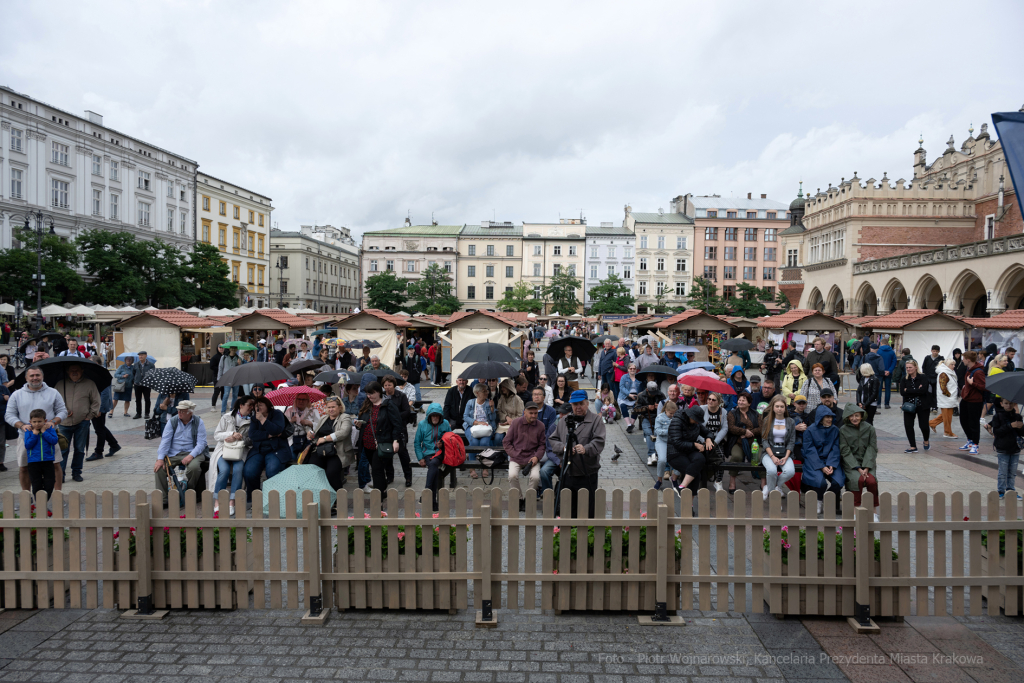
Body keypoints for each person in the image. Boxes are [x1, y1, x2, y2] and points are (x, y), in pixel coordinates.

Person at [5, 366, 67, 493]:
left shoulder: (53, 392)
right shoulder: (17, 394)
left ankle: (57, 495)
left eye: (37, 375)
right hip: (26, 437)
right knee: (24, 468)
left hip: (48, 436)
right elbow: (9, 415)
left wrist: (53, 422)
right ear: (26, 378)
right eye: (32, 376)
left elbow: (62, 411)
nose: (35, 378)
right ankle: (26, 497)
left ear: (42, 377)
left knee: (55, 465)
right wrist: (22, 425)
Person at [549, 391, 605, 518]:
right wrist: (564, 448)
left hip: (587, 473)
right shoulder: (564, 421)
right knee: (567, 510)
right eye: (575, 404)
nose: (578, 407)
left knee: (587, 510)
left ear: (587, 403)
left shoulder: (596, 420)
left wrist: (586, 448)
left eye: (581, 404)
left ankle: (586, 535)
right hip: (567, 472)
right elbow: (553, 439)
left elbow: (599, 441)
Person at [153, 401, 208, 507]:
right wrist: (160, 459)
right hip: (174, 453)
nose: (179, 412)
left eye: (183, 411)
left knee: (194, 467)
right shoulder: (172, 422)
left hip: (193, 452)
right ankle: (164, 499)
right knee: (159, 469)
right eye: (179, 410)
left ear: (190, 412)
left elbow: (202, 443)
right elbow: (165, 441)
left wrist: (191, 455)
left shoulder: (198, 421)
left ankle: (188, 492)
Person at [54, 363, 100, 485]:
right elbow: (54, 401)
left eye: (77, 370)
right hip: (64, 423)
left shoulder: (89, 384)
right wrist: (63, 412)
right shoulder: (60, 384)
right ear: (67, 371)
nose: (75, 372)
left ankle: (76, 472)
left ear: (82, 371)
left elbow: (96, 402)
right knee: (63, 450)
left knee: (79, 449)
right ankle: (61, 474)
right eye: (72, 370)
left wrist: (89, 416)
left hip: (82, 422)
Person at [355, 381, 405, 494]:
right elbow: (364, 422)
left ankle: (379, 498)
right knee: (377, 470)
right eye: (367, 394)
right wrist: (359, 424)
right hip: (367, 444)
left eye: (371, 393)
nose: (369, 396)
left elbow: (397, 424)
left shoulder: (388, 405)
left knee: (377, 470)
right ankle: (382, 491)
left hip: (381, 443)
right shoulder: (367, 405)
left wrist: (396, 440)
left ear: (378, 392)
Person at [208, 395, 254, 516]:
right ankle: (218, 501)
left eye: (252, 405)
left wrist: (241, 438)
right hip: (224, 450)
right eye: (249, 404)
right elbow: (217, 435)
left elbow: (252, 441)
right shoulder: (227, 417)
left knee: (238, 470)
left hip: (240, 451)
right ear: (241, 405)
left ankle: (232, 502)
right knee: (224, 470)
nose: (251, 407)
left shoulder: (253, 420)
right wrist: (230, 434)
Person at [801, 404, 846, 516]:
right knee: (820, 483)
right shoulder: (810, 430)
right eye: (826, 417)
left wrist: (831, 464)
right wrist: (821, 466)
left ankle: (826, 498)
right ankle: (819, 500)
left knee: (838, 481)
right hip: (814, 462)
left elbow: (835, 448)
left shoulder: (835, 430)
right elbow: (810, 450)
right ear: (820, 418)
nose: (829, 419)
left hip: (831, 461)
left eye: (831, 417)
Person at [304, 396, 354, 494]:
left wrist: (325, 438)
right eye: (328, 407)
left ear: (340, 407)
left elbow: (344, 432)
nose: (331, 409)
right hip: (320, 450)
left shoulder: (345, 417)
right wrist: (310, 433)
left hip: (337, 452)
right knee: (312, 470)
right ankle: (320, 496)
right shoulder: (323, 418)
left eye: (333, 407)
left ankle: (338, 499)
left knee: (331, 473)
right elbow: (316, 433)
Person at [242, 396, 291, 497]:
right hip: (258, 449)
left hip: (276, 449)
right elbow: (252, 434)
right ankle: (254, 497)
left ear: (268, 406)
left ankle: (273, 497)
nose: (258, 408)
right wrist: (268, 435)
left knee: (272, 470)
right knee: (249, 471)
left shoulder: (277, 414)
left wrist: (263, 420)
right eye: (256, 406)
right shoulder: (255, 418)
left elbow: (277, 430)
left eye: (260, 405)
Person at [840, 403, 879, 519]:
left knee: (871, 481)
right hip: (851, 464)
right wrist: (857, 468)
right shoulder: (843, 430)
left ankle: (874, 511)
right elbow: (845, 451)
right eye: (851, 416)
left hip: (868, 463)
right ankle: (855, 511)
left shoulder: (869, 428)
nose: (854, 418)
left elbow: (872, 448)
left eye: (857, 415)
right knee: (858, 480)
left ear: (861, 416)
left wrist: (866, 467)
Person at [505, 402, 546, 505]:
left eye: (535, 413)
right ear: (525, 413)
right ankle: (519, 499)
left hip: (532, 458)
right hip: (517, 456)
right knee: (512, 476)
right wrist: (514, 454)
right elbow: (506, 442)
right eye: (531, 413)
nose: (533, 415)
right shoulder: (516, 423)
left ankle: (529, 499)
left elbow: (542, 445)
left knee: (536, 477)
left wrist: (537, 457)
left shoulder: (540, 426)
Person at [667, 405, 712, 494]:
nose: (696, 422)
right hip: (675, 452)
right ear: (690, 416)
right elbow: (677, 443)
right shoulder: (677, 421)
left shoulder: (696, 423)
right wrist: (695, 445)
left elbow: (708, 432)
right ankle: (688, 503)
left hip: (690, 451)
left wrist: (708, 438)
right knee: (695, 475)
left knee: (700, 458)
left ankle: (681, 487)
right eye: (695, 419)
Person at [416, 402, 451, 511]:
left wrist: (443, 444)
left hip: (441, 453)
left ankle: (426, 492)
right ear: (429, 416)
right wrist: (420, 458)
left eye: (437, 415)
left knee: (434, 463)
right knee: (434, 467)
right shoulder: (422, 424)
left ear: (440, 416)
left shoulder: (445, 423)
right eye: (433, 415)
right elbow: (417, 443)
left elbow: (451, 440)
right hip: (428, 453)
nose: (435, 417)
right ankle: (433, 502)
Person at [759, 395, 795, 501]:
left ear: (785, 408)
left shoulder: (790, 422)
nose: (779, 409)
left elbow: (791, 441)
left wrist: (786, 456)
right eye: (777, 406)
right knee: (771, 471)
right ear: (773, 407)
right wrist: (772, 456)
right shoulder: (767, 420)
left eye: (782, 406)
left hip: (785, 452)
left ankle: (772, 486)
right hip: (769, 452)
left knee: (790, 471)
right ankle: (774, 497)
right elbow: (764, 441)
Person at [380, 376, 414, 487]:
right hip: (386, 430)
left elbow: (407, 411)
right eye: (385, 385)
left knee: (403, 455)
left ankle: (408, 477)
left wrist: (394, 417)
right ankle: (389, 476)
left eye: (389, 385)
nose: (387, 388)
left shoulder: (401, 396)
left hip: (400, 429)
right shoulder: (382, 397)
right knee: (387, 455)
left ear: (394, 385)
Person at [87, 357, 120, 461]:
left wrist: (99, 409)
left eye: (91, 362)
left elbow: (105, 394)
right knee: (100, 427)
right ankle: (114, 444)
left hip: (100, 407)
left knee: (99, 429)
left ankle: (99, 452)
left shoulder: (102, 374)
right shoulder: (94, 373)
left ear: (97, 363)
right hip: (95, 406)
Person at [723, 391, 758, 491]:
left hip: (753, 441)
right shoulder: (732, 413)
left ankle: (764, 483)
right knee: (736, 457)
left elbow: (760, 428)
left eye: (743, 400)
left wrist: (748, 433)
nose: (741, 402)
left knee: (760, 457)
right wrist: (743, 431)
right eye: (739, 400)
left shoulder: (755, 413)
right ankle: (732, 481)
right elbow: (731, 427)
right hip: (737, 442)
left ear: (749, 403)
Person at [991, 397, 1024, 500]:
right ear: (1001, 404)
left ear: (1014, 404)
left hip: (1015, 448)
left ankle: (1011, 490)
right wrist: (1011, 425)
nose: (1008, 405)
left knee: (1013, 472)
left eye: (1010, 403)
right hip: (1003, 448)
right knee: (1003, 471)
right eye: (1006, 403)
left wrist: (1021, 427)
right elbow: (997, 432)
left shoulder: (1018, 416)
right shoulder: (998, 416)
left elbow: (1021, 433)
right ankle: (1000, 491)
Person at [24, 408, 59, 498]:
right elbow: (27, 445)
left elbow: (54, 440)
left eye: (39, 421)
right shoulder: (29, 431)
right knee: (36, 484)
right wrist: (35, 435)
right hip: (33, 462)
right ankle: (40, 504)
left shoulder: (49, 429)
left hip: (48, 460)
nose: (37, 424)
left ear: (45, 421)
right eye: (34, 422)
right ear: (30, 421)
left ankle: (45, 501)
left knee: (50, 482)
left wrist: (44, 432)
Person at [898, 359, 930, 453]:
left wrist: (908, 390)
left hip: (922, 405)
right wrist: (916, 390)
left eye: (910, 367)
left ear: (915, 367)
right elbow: (902, 393)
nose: (908, 369)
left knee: (923, 425)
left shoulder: (923, 377)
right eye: (907, 367)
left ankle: (926, 440)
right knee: (908, 425)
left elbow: (923, 390)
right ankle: (913, 446)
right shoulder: (904, 378)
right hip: (909, 405)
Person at [635, 380, 665, 466]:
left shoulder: (661, 394)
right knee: (648, 433)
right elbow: (636, 409)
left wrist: (659, 406)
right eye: (652, 392)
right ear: (647, 390)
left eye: (655, 392)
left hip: (658, 417)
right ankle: (652, 454)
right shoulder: (641, 395)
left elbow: (666, 406)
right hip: (646, 417)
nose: (654, 394)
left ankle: (655, 454)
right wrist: (646, 407)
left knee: (656, 433)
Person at [284, 392, 320, 462]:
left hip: (308, 441)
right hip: (292, 441)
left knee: (305, 459)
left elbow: (319, 426)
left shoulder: (313, 411)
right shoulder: (289, 411)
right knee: (292, 459)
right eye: (299, 399)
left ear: (308, 401)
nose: (301, 401)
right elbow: (283, 426)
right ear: (295, 400)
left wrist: (310, 423)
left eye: (303, 399)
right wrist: (291, 421)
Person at [929, 358, 959, 439]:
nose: (954, 366)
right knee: (947, 417)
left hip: (949, 398)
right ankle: (947, 432)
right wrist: (948, 394)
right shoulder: (943, 373)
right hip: (946, 398)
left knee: (946, 415)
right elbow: (943, 386)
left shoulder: (948, 372)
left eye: (954, 364)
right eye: (952, 364)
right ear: (947, 365)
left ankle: (932, 423)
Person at [463, 382, 497, 449]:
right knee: (474, 442)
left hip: (487, 427)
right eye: (484, 391)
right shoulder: (470, 402)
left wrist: (492, 408)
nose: (487, 392)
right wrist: (477, 423)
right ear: (477, 393)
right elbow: (465, 417)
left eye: (487, 390)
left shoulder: (489, 403)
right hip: (471, 426)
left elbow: (493, 419)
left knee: (484, 443)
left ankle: (485, 458)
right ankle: (473, 459)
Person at [653, 399, 677, 490]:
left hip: (673, 442)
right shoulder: (659, 418)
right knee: (662, 460)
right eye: (670, 413)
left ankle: (674, 479)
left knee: (678, 459)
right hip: (662, 441)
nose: (672, 415)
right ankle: (659, 480)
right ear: (666, 410)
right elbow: (657, 431)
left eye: (674, 413)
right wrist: (669, 431)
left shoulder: (677, 417)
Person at [495, 378, 524, 448]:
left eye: (504, 387)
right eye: (501, 387)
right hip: (502, 424)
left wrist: (510, 420)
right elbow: (498, 411)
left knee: (511, 439)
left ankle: (509, 456)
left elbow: (520, 415)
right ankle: (500, 455)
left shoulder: (517, 399)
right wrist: (506, 417)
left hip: (514, 424)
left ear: (509, 387)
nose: (502, 388)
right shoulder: (501, 398)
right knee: (498, 438)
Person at [618, 364, 642, 433]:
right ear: (628, 369)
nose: (632, 370)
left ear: (636, 369)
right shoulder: (624, 377)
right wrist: (629, 394)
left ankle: (632, 424)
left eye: (634, 368)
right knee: (623, 406)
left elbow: (642, 388)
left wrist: (639, 395)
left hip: (636, 396)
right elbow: (621, 387)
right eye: (630, 368)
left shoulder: (639, 378)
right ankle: (629, 425)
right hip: (625, 396)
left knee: (636, 407)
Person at [921, 345, 945, 413]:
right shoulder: (927, 358)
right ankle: (928, 406)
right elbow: (924, 367)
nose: (935, 352)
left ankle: (935, 407)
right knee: (927, 392)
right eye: (934, 351)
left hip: (936, 378)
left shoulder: (941, 359)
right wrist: (925, 376)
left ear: (939, 351)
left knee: (935, 393)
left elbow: (943, 368)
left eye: (936, 351)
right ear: (931, 351)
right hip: (928, 378)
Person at [132, 350, 156, 419]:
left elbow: (153, 374)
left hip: (146, 385)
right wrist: (135, 380)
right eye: (139, 355)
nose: (140, 356)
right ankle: (138, 413)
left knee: (147, 399)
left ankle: (147, 413)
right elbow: (133, 373)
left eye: (142, 355)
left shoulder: (151, 365)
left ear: (146, 356)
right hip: (137, 384)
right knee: (138, 399)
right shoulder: (136, 364)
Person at [218, 348, 242, 413]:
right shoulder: (224, 357)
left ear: (236, 349)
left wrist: (239, 364)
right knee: (226, 394)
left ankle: (233, 410)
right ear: (229, 348)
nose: (233, 349)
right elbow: (220, 367)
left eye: (234, 348)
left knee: (235, 395)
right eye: (231, 348)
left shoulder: (238, 358)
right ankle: (223, 411)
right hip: (227, 378)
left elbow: (241, 369)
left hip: (236, 378)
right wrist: (219, 378)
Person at [878, 341, 897, 409]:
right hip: (889, 372)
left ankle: (878, 404)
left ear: (881, 343)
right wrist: (889, 370)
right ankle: (886, 404)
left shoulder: (878, 351)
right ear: (888, 344)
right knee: (888, 388)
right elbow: (894, 362)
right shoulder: (892, 352)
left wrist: (882, 370)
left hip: (880, 373)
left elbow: (877, 362)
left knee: (879, 388)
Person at [209, 345, 225, 409]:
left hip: (224, 376)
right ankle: (213, 406)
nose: (221, 349)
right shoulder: (215, 357)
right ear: (217, 348)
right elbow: (211, 366)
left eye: (222, 348)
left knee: (224, 391)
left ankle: (224, 404)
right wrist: (220, 369)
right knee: (216, 391)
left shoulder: (225, 357)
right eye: (220, 348)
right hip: (216, 376)